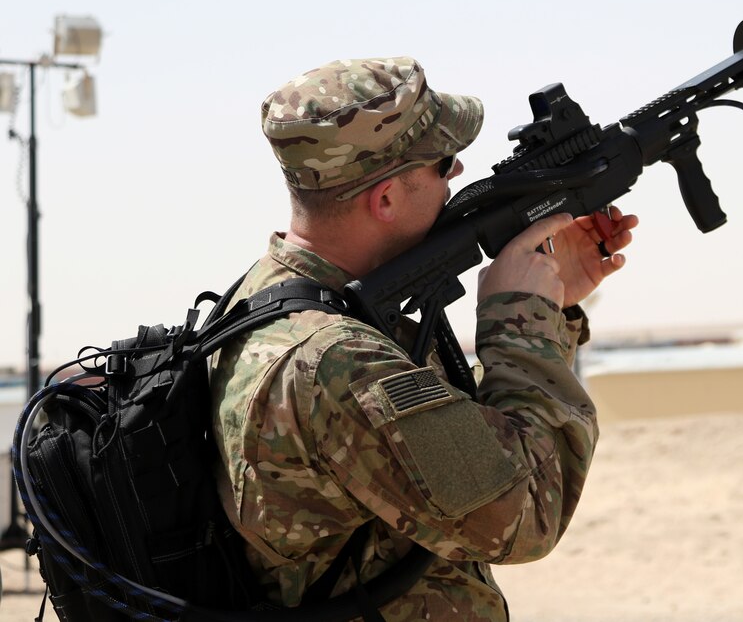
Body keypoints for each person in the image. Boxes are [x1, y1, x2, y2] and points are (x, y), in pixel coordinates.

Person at [209, 57, 638, 621]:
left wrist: (551, 309)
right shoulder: (335, 361)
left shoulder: (264, 300)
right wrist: (520, 324)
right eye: (442, 162)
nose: (458, 173)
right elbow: (526, 514)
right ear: (385, 199)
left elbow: (454, 440)